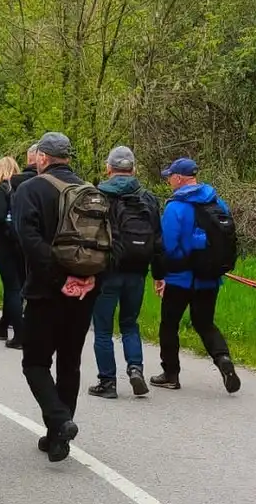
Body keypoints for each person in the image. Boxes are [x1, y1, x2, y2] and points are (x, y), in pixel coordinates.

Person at [14, 132, 102, 461]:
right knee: (70, 362)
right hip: (84, 294)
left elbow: (29, 240)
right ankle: (58, 438)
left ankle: (60, 419)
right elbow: (109, 245)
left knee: (35, 362)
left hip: (45, 292)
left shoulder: (30, 190)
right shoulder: (91, 192)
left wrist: (62, 277)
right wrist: (90, 278)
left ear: (43, 158)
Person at [151, 158, 240, 394]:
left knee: (169, 324)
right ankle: (223, 359)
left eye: (170, 176)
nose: (169, 180)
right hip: (209, 278)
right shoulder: (218, 202)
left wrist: (162, 273)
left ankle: (171, 374)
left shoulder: (175, 207)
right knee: (204, 323)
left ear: (179, 178)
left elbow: (167, 246)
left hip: (180, 278)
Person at [89, 145, 161, 399]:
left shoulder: (98, 196)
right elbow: (158, 239)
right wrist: (159, 274)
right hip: (138, 271)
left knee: (104, 329)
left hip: (107, 271)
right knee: (130, 324)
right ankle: (135, 369)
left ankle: (107, 382)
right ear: (133, 169)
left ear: (109, 168)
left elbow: (90, 235)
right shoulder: (148, 198)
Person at [0, 156, 24, 349]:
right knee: (17, 283)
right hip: (22, 241)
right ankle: (3, 324)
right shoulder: (23, 187)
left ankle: (19, 333)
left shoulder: (2, 188)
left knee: (12, 287)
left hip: (5, 241)